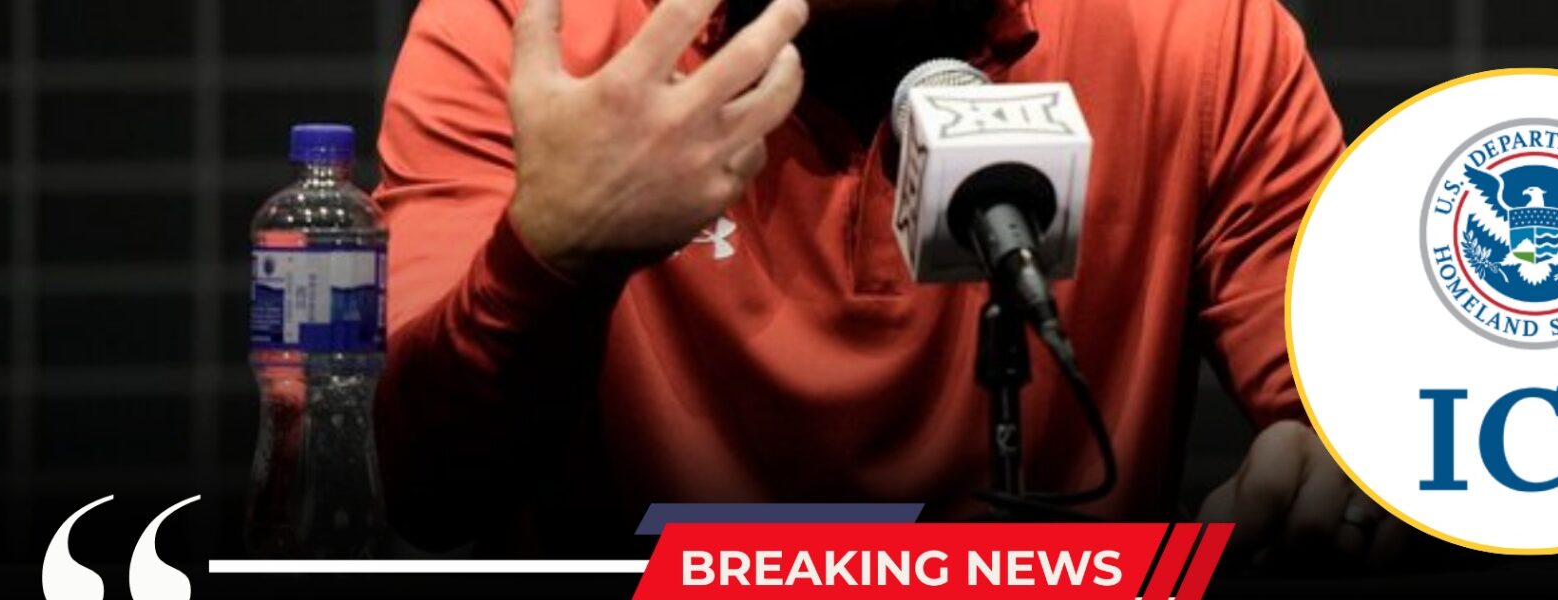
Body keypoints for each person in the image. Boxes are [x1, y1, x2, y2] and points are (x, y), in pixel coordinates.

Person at [372, 0, 1405, 564]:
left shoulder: (1202, 33)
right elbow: (419, 486)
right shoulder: (524, 32)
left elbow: (1381, 422)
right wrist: (550, 256)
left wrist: (1353, 473)